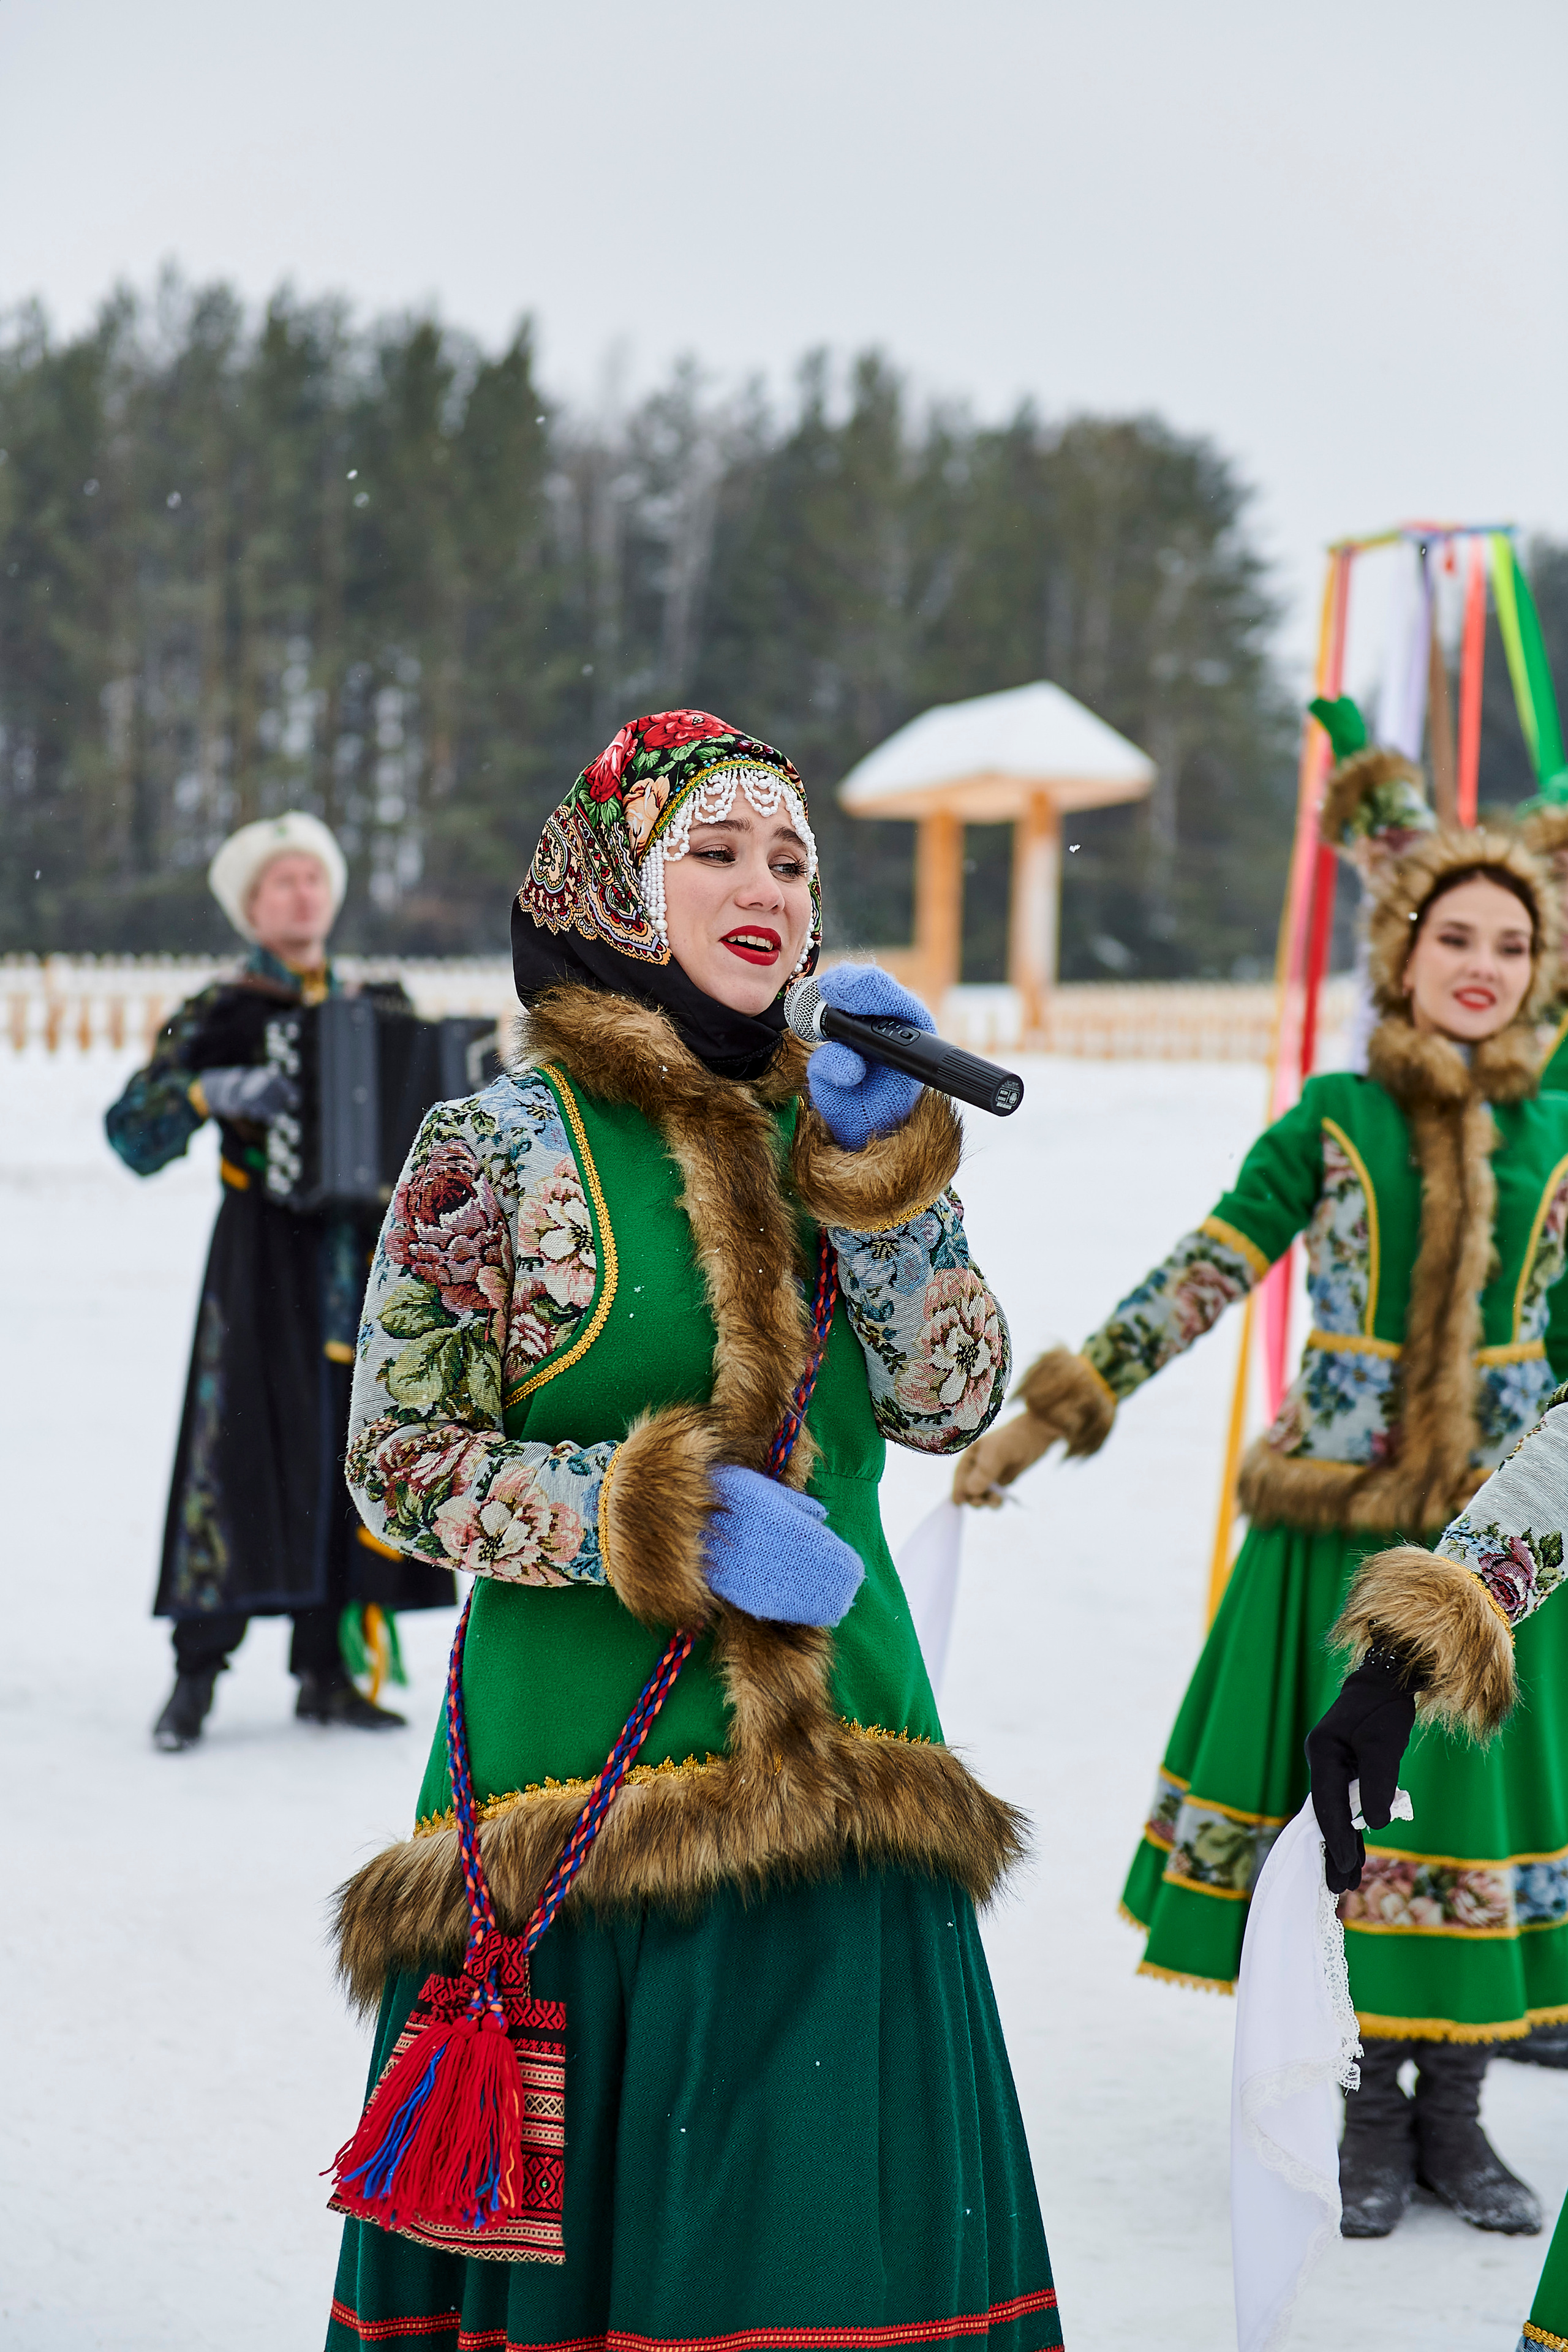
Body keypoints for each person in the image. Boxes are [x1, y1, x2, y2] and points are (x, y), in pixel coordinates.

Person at [325, 712, 1060, 2350]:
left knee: (837, 2256)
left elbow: (951, 1392)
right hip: (579, 1793)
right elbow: (395, 1462)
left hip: (854, 1762)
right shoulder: (493, 1152)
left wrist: (885, 1178)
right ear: (615, 891)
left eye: (791, 860)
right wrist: (651, 1514)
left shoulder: (846, 1123)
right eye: (715, 853)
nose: (765, 888)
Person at [953, 756, 1568, 2237]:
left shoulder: (1563, 1133)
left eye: (1511, 944)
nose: (1478, 967)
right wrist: (1054, 1411)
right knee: (1352, 1821)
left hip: (1496, 1560)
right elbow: (1205, 1267)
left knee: (1467, 1831)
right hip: (1335, 1543)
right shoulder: (1334, 1117)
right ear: (1399, 952)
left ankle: (1455, 2111)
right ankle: (1359, 2108)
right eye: (1451, 938)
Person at [106, 811, 454, 1751]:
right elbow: (128, 1134)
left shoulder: (382, 1000)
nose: (303, 895)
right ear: (251, 906)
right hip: (261, 1265)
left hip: (365, 1262)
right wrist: (200, 1092)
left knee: (354, 1444)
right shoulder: (220, 1008)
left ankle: (327, 1669)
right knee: (240, 1449)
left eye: (314, 878)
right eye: (281, 883)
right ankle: (196, 1676)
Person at [1306, 1390, 1568, 2345]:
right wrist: (1408, 1651)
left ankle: (1454, 2110)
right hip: (1391, 1517)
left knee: (1493, 1841)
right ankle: (1374, 2109)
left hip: (1522, 1584)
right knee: (1388, 1830)